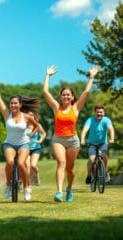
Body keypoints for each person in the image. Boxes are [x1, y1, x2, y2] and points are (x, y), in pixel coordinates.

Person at [43, 65, 100, 202]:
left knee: (70, 169)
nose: (66, 96)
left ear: (72, 97)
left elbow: (86, 92)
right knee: (61, 162)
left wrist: (91, 77)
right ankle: (59, 192)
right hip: (58, 139)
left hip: (73, 141)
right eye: (63, 95)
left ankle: (69, 188)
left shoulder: (76, 108)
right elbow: (45, 92)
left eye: (68, 94)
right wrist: (47, 76)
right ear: (61, 97)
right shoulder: (57, 108)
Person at [0, 79, 39, 201]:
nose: (13, 105)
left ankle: (27, 187)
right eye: (11, 103)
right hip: (9, 144)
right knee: (10, 163)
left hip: (24, 144)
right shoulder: (7, 114)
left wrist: (30, 135)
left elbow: (36, 126)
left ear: (20, 105)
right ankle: (8, 185)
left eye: (15, 103)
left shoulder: (26, 116)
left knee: (22, 163)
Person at [81, 105, 115, 183]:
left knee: (104, 155)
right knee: (91, 159)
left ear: (104, 113)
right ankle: (89, 176)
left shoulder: (107, 120)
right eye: (97, 112)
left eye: (101, 112)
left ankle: (106, 172)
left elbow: (111, 129)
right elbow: (85, 130)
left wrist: (112, 138)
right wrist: (82, 139)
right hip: (92, 144)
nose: (99, 114)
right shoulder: (90, 120)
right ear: (95, 113)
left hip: (103, 143)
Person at [25, 112, 47, 186]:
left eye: (31, 115)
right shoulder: (23, 125)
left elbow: (44, 133)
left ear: (34, 117)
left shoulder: (38, 125)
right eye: (28, 115)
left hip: (35, 148)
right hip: (25, 149)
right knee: (27, 167)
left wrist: (40, 140)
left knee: (33, 165)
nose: (29, 116)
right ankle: (28, 184)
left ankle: (37, 176)